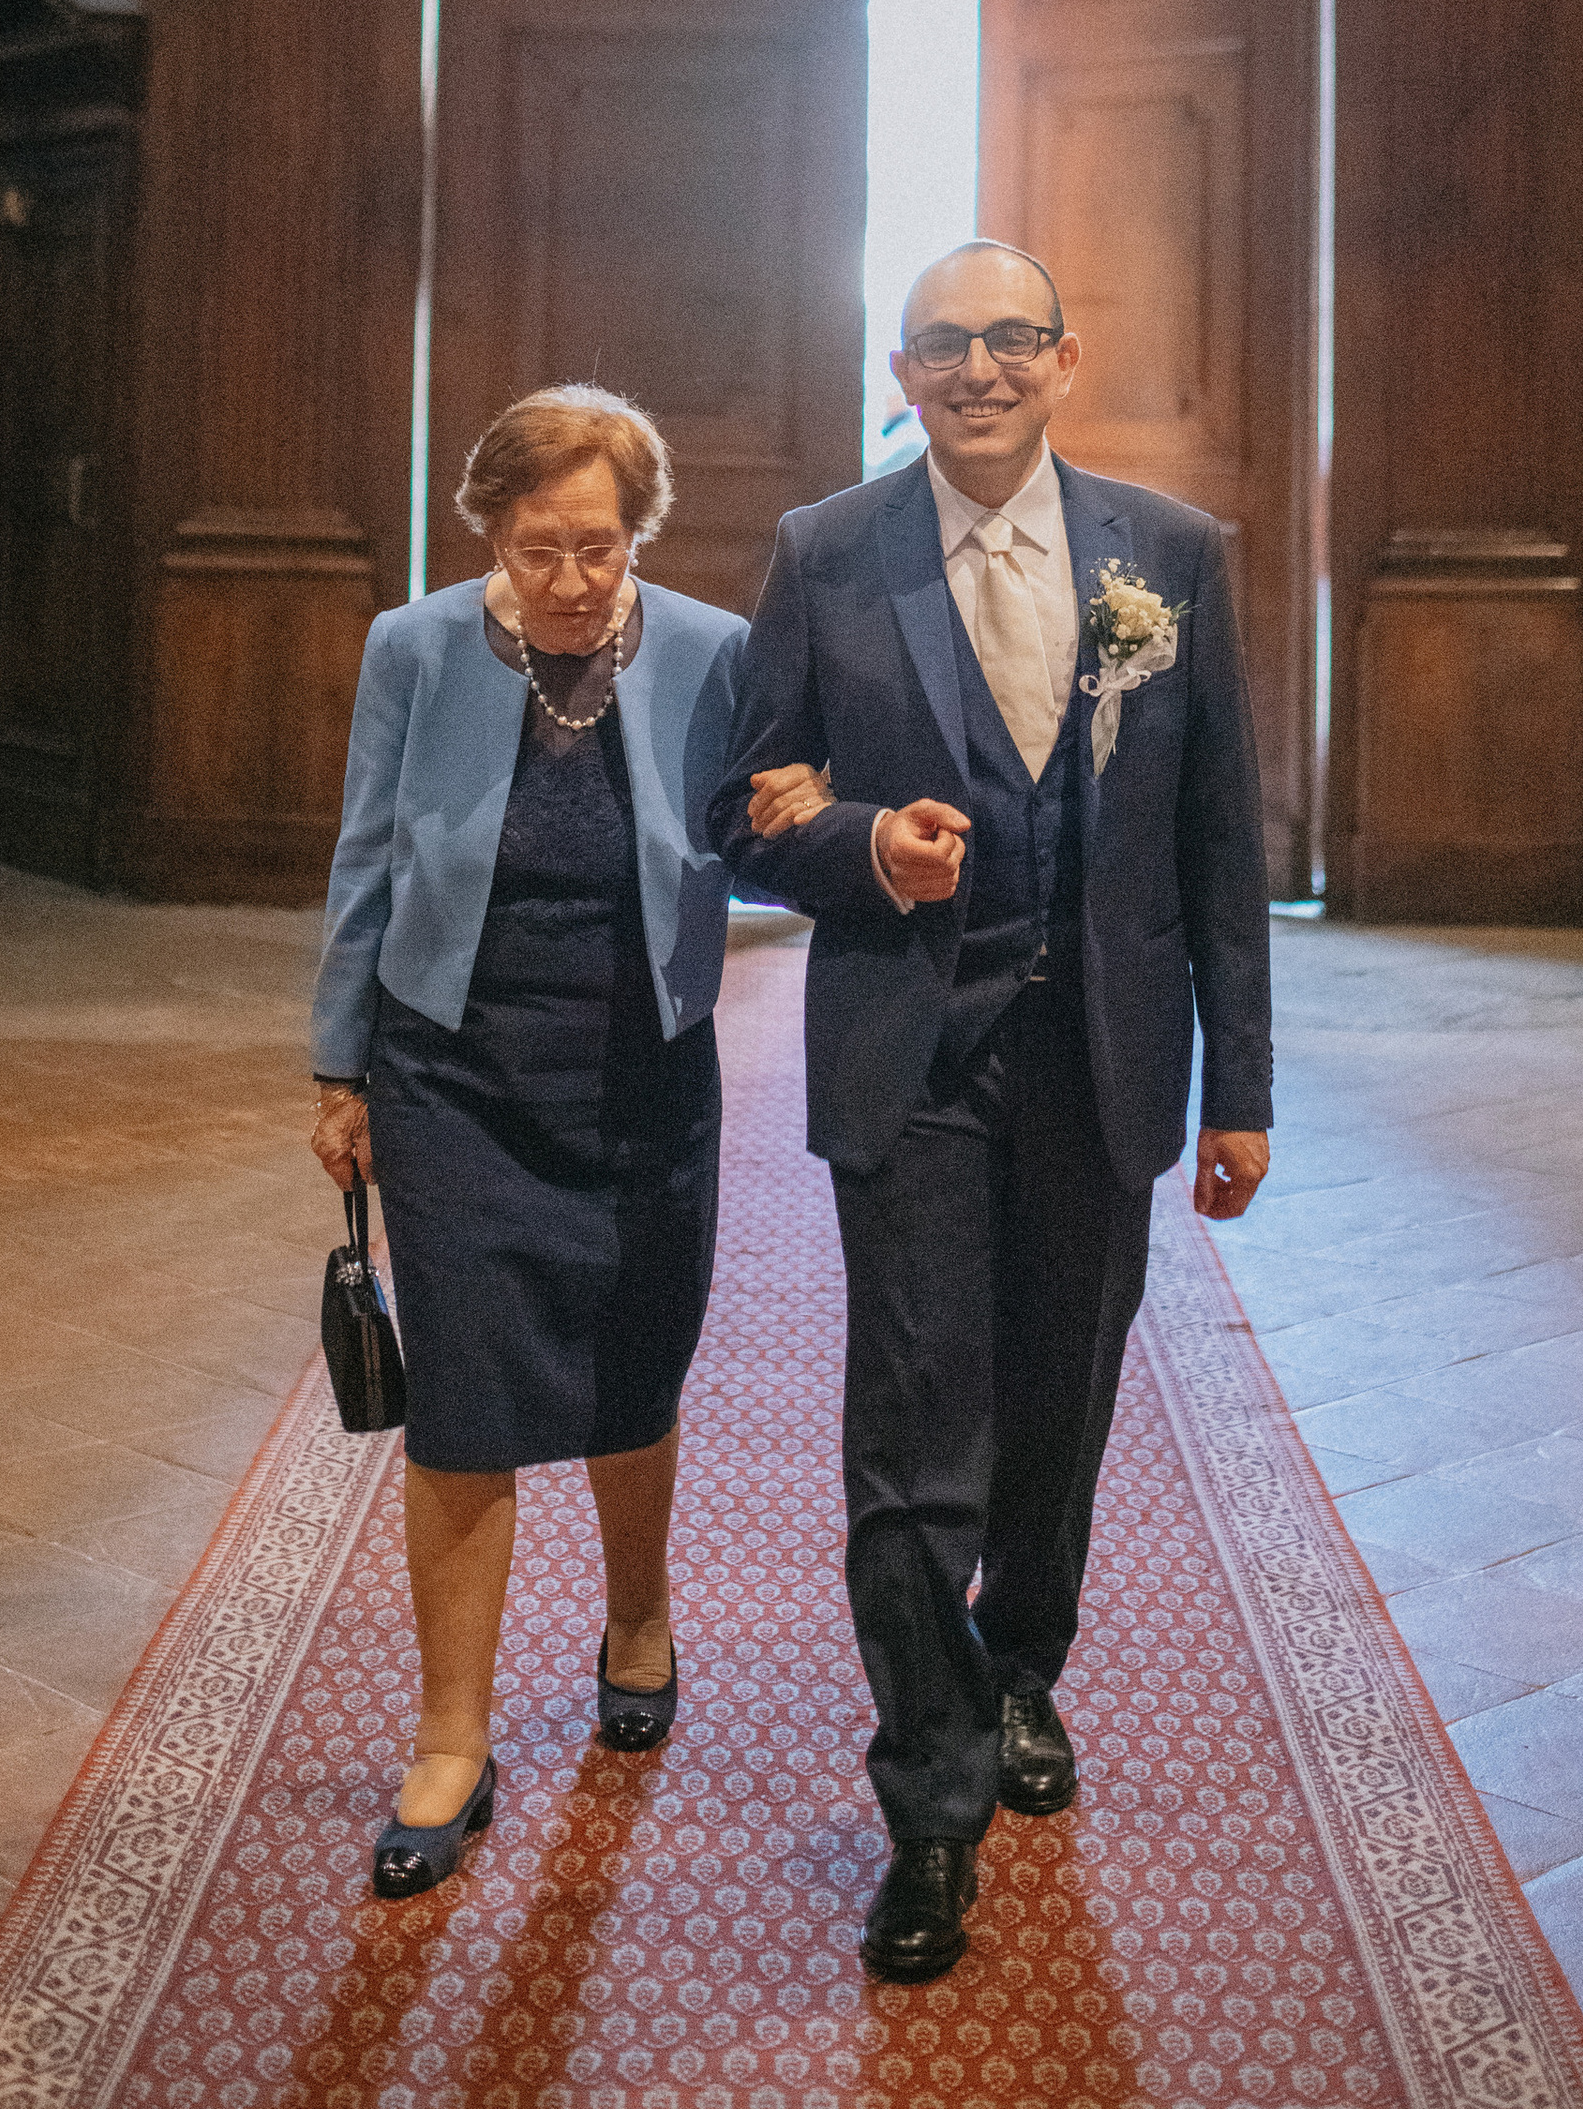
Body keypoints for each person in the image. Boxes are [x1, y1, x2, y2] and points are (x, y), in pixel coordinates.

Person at [714, 241, 1272, 1984]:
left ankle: (1018, 1666)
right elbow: (737, 806)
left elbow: (1220, 847)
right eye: (943, 344)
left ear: (1062, 358)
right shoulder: (827, 551)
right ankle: (932, 1803)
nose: (976, 368)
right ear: (903, 365)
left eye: (1007, 339)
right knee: (913, 1433)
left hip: (1105, 1056)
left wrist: (1240, 1088)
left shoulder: (1167, 559)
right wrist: (853, 846)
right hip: (915, 1056)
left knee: (1060, 1404)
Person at [309, 383, 747, 1900]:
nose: (574, 580)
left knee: (637, 1361)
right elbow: (366, 855)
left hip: (641, 1072)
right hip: (456, 1073)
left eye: (603, 547)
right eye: (543, 545)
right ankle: (451, 1737)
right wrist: (339, 1064)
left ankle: (638, 1620)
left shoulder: (708, 652)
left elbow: (757, 830)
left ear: (639, 538)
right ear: (489, 528)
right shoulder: (413, 649)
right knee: (469, 1399)